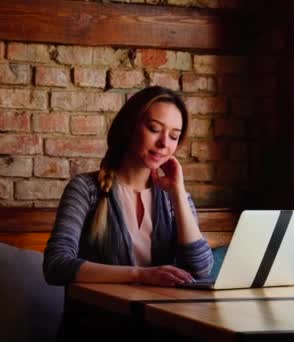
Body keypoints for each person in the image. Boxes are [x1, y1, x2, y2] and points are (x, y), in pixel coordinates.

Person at [43, 86, 214, 340]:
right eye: (154, 129)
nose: (164, 143)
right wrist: (141, 275)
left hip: (158, 328)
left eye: (174, 136)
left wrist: (177, 192)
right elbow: (56, 265)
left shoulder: (174, 197)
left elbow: (200, 270)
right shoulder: (85, 189)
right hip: (95, 330)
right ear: (129, 127)